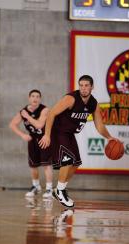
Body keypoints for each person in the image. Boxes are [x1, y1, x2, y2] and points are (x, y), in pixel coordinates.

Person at [39, 75, 117, 207]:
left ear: (92, 87)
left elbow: (99, 125)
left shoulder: (93, 103)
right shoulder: (70, 99)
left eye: (86, 85)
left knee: (75, 163)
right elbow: (51, 113)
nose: (83, 88)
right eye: (81, 85)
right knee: (68, 161)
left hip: (69, 134)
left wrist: (109, 137)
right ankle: (60, 191)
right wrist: (46, 135)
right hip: (57, 132)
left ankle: (57, 189)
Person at [9, 89, 53, 198]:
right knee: (33, 165)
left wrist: (27, 116)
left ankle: (49, 189)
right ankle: (36, 186)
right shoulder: (23, 111)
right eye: (33, 96)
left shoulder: (44, 110)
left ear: (40, 99)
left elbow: (39, 125)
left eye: (38, 96)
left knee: (46, 164)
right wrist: (22, 135)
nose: (35, 98)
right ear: (29, 98)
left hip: (44, 138)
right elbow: (12, 124)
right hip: (33, 139)